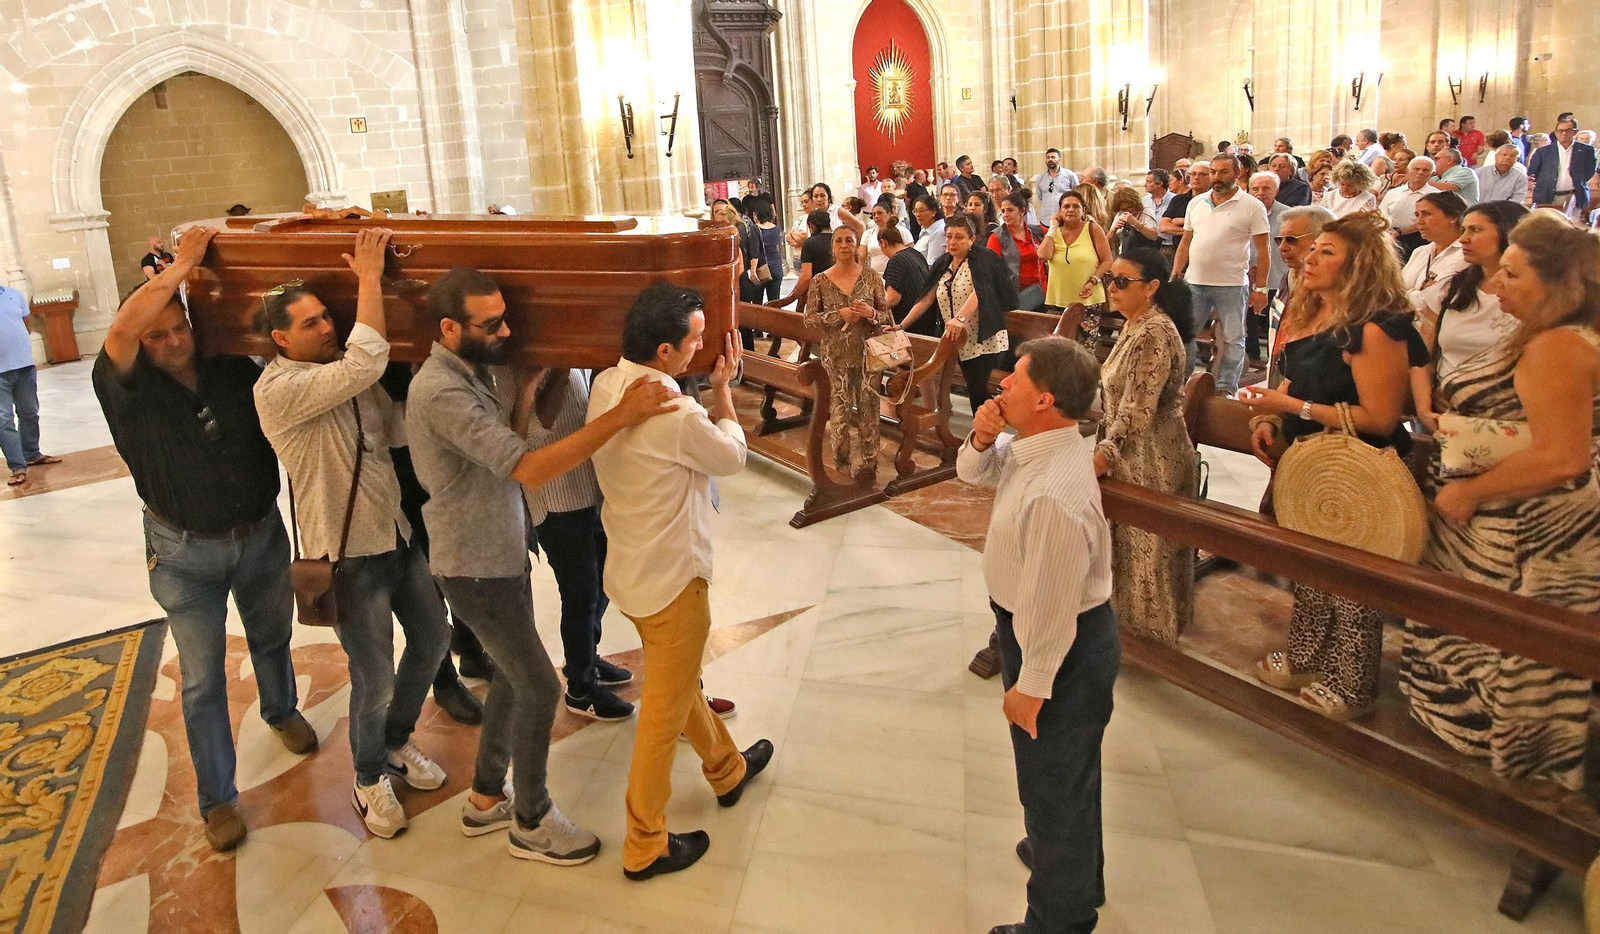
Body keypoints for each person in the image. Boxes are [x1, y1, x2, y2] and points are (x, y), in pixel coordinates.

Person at [406, 266, 676, 864]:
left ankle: (484, 797)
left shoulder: (471, 370)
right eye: (492, 322)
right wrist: (621, 416)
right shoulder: (440, 390)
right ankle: (530, 818)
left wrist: (525, 391)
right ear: (450, 328)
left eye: (506, 316)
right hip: (474, 564)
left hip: (497, 550)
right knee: (537, 684)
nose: (506, 330)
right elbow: (526, 467)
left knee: (509, 675)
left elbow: (507, 442)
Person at [93, 226, 318, 852]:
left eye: (178, 328)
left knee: (273, 636)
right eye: (155, 334)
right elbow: (120, 332)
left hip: (259, 533)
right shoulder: (125, 382)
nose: (169, 343)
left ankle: (281, 709)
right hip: (184, 553)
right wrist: (183, 265)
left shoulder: (226, 361)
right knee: (200, 679)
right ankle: (219, 798)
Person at [252, 228, 452, 839]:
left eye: (326, 317)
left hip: (394, 534)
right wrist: (370, 277)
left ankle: (394, 742)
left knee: (433, 638)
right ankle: (367, 780)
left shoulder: (344, 376)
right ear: (280, 338)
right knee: (374, 676)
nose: (327, 327)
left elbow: (394, 433)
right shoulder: (278, 390)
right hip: (345, 556)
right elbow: (370, 357)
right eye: (310, 323)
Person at [1403, 211, 1600, 791]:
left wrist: (1470, 490)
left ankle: (1507, 770)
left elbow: (1564, 456)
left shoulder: (1559, 347)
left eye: (1511, 275)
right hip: (1515, 515)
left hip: (1526, 526)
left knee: (1508, 650)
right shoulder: (1555, 334)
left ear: (1559, 285)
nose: (1493, 285)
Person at [587, 285, 773, 880]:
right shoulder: (673, 410)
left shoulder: (607, 385)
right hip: (673, 580)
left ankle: (726, 770)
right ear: (664, 349)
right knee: (662, 717)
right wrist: (723, 393)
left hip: (632, 570)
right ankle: (645, 844)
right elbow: (731, 458)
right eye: (695, 338)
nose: (702, 345)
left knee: (676, 682)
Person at [1239, 210, 1428, 719]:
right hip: (1311, 464)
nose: (1310, 257)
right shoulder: (1310, 312)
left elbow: (1381, 417)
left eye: (1327, 251)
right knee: (1309, 572)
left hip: (1363, 469)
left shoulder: (1375, 329)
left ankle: (1352, 683)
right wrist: (1271, 420)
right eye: (1313, 248)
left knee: (1353, 587)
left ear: (1359, 265)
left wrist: (1291, 410)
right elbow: (1293, 385)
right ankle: (1306, 657)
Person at [956, 337, 1117, 934]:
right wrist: (979, 435)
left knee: (1052, 786)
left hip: (1062, 647)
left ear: (1045, 399)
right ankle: (1074, 866)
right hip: (1044, 631)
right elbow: (972, 474)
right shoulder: (1037, 446)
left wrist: (1031, 683)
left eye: (1014, 381)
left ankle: (1059, 917)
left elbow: (1051, 610)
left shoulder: (1054, 492)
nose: (1001, 386)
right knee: (1069, 776)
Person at [1093, 250, 1198, 642]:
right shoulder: (1136, 324)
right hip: (1134, 451)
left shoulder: (1153, 332)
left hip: (1152, 455)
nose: (1112, 288)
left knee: (1149, 550)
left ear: (1152, 287)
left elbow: (1137, 409)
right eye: (1111, 279)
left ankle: (1152, 637)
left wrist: (1105, 453)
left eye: (1123, 282)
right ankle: (1128, 630)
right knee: (1129, 547)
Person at [1409, 202, 1527, 428]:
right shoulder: (1453, 286)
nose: (1463, 238)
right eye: (1463, 229)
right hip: (1442, 412)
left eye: (1475, 230)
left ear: (1507, 232)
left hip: (1506, 418)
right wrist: (1424, 410)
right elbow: (1423, 353)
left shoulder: (1531, 294)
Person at [1173, 153, 1272, 396]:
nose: (1217, 177)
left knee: (1232, 339)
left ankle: (1225, 387)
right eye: (1214, 172)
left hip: (1231, 284)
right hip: (1194, 282)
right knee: (1184, 334)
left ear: (1238, 173)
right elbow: (1186, 241)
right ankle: (1181, 383)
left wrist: (1260, 289)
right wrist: (1176, 273)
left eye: (1223, 172)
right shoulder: (1196, 203)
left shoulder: (1251, 205)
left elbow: (1263, 250)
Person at [900, 213, 1019, 410]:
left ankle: (987, 434)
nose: (952, 242)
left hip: (983, 337)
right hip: (958, 339)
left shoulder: (983, 258)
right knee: (975, 389)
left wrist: (959, 319)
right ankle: (986, 432)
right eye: (949, 236)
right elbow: (927, 298)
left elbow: (980, 292)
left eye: (959, 237)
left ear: (972, 239)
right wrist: (902, 325)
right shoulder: (944, 262)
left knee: (977, 388)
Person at [806, 226, 892, 480]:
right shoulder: (820, 280)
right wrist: (837, 315)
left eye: (849, 241)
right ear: (832, 247)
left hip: (869, 353)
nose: (844, 245)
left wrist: (871, 314)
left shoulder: (872, 277)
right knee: (840, 408)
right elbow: (809, 319)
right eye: (839, 241)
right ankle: (842, 463)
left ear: (856, 246)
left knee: (869, 408)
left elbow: (887, 316)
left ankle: (869, 464)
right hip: (836, 354)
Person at [1267, 205, 1337, 386]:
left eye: (1291, 239)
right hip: (1281, 369)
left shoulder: (1332, 290)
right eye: (1279, 240)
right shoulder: (1288, 278)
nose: (1282, 247)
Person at [0, 284, 60, 487]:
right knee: (4, 420)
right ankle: (17, 466)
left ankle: (32, 454)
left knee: (29, 413)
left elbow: (26, 325)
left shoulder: (13, 294)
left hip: (24, 365)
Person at [1398, 191, 1469, 323]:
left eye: (1427, 214)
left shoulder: (1465, 254)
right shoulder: (1420, 251)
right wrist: (1419, 293)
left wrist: (1407, 295)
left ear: (1453, 217)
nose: (1419, 221)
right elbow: (1396, 290)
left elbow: (1435, 301)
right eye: (1417, 215)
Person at [1038, 191, 1110, 310]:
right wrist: (1052, 227)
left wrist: (1093, 281)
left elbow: (1107, 261)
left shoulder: (1093, 229)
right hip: (1057, 300)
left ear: (1083, 211)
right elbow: (1043, 255)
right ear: (1059, 211)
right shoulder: (1053, 233)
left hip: (1088, 299)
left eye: (1076, 206)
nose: (1071, 210)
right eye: (1066, 206)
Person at [1248, 171, 1290, 363]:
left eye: (1266, 189)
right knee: (1249, 320)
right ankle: (1252, 354)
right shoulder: (1245, 211)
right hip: (1248, 274)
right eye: (1255, 189)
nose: (1260, 193)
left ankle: (1278, 358)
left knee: (1276, 322)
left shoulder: (1287, 215)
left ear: (1277, 190)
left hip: (1277, 275)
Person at [1529, 117, 1598, 219]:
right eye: (1561, 131)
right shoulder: (1543, 152)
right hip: (1547, 196)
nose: (1564, 133)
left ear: (1575, 132)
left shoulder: (1586, 150)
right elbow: (1533, 172)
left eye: (1568, 130)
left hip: (1574, 196)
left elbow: (1589, 171)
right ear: (1556, 133)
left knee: (1571, 228)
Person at [989, 190, 1048, 304]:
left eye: (1010, 210)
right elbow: (992, 269)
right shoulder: (996, 237)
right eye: (1003, 211)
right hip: (1015, 295)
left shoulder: (1037, 231)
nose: (1005, 215)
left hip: (1043, 290)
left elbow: (1057, 239)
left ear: (1022, 211)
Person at [769, 209, 834, 310]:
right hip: (838, 292)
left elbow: (806, 276)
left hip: (818, 294)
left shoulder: (809, 243)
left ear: (811, 226)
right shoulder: (837, 240)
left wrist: (796, 294)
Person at [1381, 155, 1440, 259]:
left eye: (1425, 170)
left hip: (1420, 238)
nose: (1420, 172)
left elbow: (1430, 221)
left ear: (1432, 174)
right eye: (1416, 169)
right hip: (1391, 237)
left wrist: (1400, 232)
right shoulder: (1393, 192)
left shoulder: (1436, 196)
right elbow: (1382, 214)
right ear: (1408, 170)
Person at [881, 225, 933, 336]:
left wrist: (873, 310)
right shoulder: (916, 254)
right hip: (927, 320)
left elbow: (893, 299)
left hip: (910, 326)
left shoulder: (896, 261)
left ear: (883, 243)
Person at [1159, 162, 1210, 244]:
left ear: (1211, 177)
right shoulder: (1178, 200)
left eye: (1202, 174)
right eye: (1193, 174)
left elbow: (1209, 226)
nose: (1196, 177)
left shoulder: (1214, 199)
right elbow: (1164, 227)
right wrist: (1193, 231)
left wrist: (1179, 221)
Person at [860, 198, 912, 275]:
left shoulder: (902, 231)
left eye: (880, 213)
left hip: (897, 274)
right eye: (874, 214)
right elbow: (861, 257)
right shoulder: (868, 233)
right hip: (875, 275)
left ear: (889, 213)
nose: (876, 216)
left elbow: (910, 254)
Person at [746, 200, 784, 304]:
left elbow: (755, 253)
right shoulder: (776, 228)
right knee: (775, 300)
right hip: (776, 267)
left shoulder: (755, 229)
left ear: (757, 214)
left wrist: (753, 272)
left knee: (757, 301)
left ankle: (760, 320)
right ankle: (775, 319)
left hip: (761, 268)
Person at [1106, 186, 1157, 257]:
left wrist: (1135, 223)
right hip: (1124, 255)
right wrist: (1114, 229)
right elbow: (1107, 240)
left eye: (1129, 207)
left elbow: (1153, 236)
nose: (1127, 211)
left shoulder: (1146, 211)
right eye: (1123, 209)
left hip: (1143, 256)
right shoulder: (1120, 214)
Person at [1035, 148, 1079, 223]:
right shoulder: (1040, 178)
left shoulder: (1070, 175)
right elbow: (1040, 197)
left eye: (1053, 157)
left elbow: (1077, 194)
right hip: (1046, 219)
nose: (1050, 159)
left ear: (1059, 159)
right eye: (1048, 157)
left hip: (1065, 218)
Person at [912, 194, 948, 264]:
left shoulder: (938, 232)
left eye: (921, 211)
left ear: (934, 212)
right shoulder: (925, 229)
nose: (918, 215)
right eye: (915, 211)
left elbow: (931, 265)